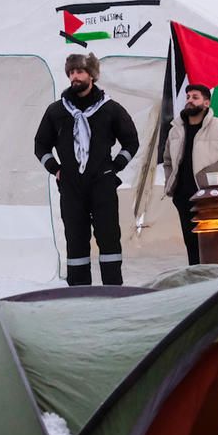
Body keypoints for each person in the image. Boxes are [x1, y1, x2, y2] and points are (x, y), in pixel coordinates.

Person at [34, 53, 139, 286]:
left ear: (91, 74)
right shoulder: (56, 111)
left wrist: (116, 166)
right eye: (71, 72)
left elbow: (131, 141)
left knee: (109, 237)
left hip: (102, 182)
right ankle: (79, 293)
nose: (74, 76)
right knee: (75, 239)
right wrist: (55, 169)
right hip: (71, 186)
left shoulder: (110, 109)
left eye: (79, 71)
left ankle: (112, 290)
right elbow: (40, 145)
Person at [161, 82, 218, 265]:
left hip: (210, 201)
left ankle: (214, 282)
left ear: (207, 103)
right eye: (188, 97)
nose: (190, 101)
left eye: (195, 97)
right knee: (191, 243)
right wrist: (172, 185)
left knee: (213, 246)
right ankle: (196, 277)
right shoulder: (175, 131)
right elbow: (168, 161)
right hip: (183, 197)